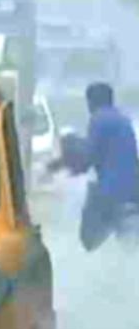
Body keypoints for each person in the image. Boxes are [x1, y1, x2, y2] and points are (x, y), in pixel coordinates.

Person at [48, 82, 139, 250]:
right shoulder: (122, 120)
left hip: (110, 191)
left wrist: (61, 163)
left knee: (88, 238)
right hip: (134, 191)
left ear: (92, 101)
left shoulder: (99, 119)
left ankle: (98, 267)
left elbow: (88, 156)